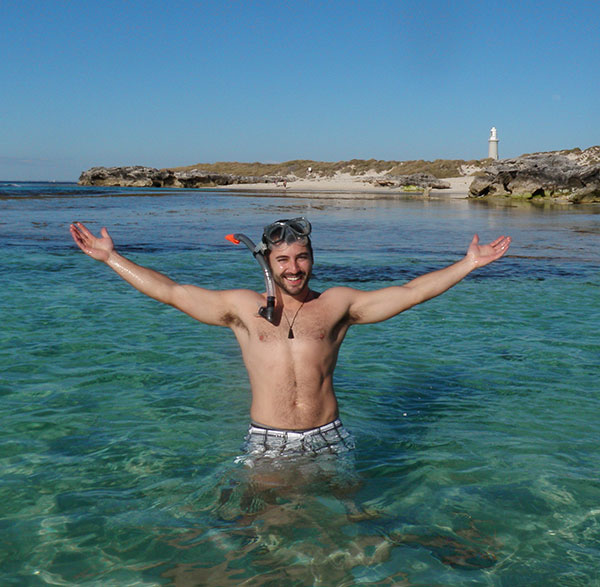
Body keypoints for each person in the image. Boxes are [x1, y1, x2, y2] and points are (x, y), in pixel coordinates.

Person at [70, 218, 511, 460]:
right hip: (267, 440)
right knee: (258, 531)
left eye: (302, 257)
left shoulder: (338, 305)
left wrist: (467, 264)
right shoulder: (242, 309)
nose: (294, 269)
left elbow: (411, 292)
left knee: (348, 527)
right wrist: (112, 259)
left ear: (312, 259)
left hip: (329, 437)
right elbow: (171, 292)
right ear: (267, 261)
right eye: (283, 259)